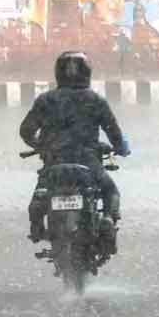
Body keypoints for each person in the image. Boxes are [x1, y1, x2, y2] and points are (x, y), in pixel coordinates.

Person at [19, 51, 131, 247]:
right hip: (88, 162)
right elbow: (114, 132)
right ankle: (107, 219)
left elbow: (26, 131)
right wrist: (121, 148)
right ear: (87, 72)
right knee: (110, 191)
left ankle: (37, 227)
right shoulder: (96, 100)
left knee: (40, 194)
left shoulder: (46, 100)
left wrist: (42, 146)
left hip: (55, 162)